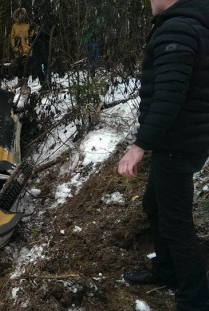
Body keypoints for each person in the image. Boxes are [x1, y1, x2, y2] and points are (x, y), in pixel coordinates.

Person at [118, 0, 209, 310]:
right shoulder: (190, 22)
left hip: (179, 143)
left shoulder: (179, 29)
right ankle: (168, 271)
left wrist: (139, 145)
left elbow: (169, 96)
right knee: (154, 205)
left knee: (175, 222)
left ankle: (195, 298)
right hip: (185, 138)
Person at [10, 8, 33, 89]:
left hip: (27, 49)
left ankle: (25, 83)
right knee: (18, 67)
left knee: (26, 66)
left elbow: (31, 36)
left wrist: (32, 34)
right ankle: (19, 82)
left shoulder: (28, 25)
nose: (20, 16)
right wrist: (14, 46)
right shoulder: (14, 26)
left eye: (21, 14)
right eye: (19, 15)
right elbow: (12, 37)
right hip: (18, 50)